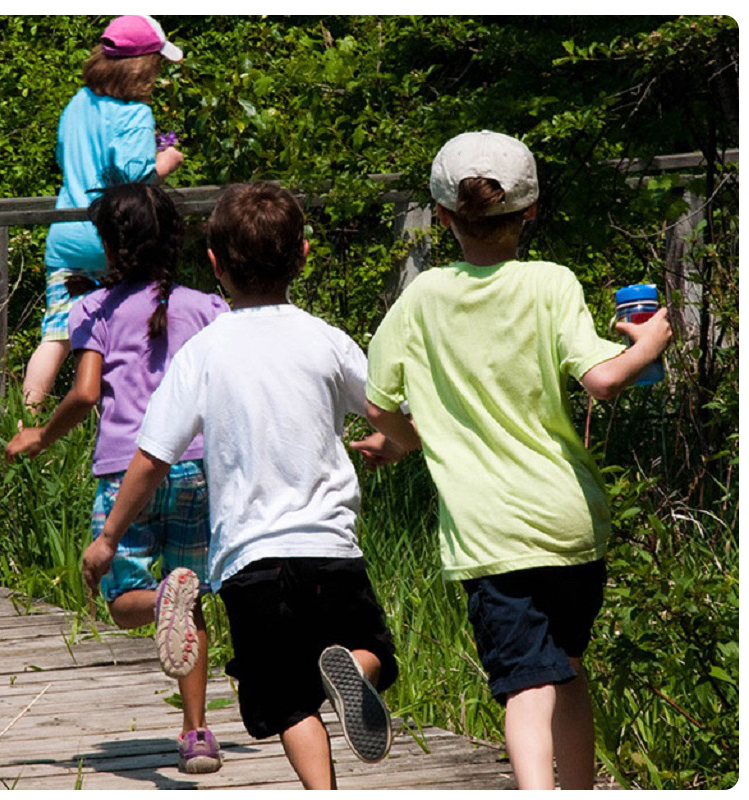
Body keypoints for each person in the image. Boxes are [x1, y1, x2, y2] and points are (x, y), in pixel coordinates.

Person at [359, 131, 673, 790]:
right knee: (568, 666)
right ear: (529, 211)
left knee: (528, 686)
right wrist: (649, 342)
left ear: (443, 218)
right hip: (570, 524)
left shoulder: (423, 299)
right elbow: (604, 379)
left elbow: (379, 402)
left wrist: (407, 440)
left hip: (491, 534)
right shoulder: (551, 283)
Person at [80, 181, 403, 789]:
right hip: (332, 549)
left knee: (285, 699)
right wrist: (397, 444)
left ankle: (322, 790)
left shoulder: (205, 350)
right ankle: (354, 671)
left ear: (215, 266)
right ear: (303, 255)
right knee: (374, 650)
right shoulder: (326, 338)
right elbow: (388, 414)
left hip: (251, 562)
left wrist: (109, 537)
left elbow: (151, 457)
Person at [6, 180, 229, 774]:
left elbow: (83, 394)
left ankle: (161, 602)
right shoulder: (207, 307)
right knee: (192, 605)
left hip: (126, 476)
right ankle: (197, 734)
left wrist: (39, 434)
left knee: (122, 597)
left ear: (110, 245)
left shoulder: (94, 311)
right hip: (196, 470)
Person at [23, 15, 185, 408]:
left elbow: (65, 157)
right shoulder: (134, 115)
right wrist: (167, 161)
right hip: (117, 239)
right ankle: (127, 415)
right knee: (125, 328)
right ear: (142, 66)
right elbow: (134, 179)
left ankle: (23, 418)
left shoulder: (77, 103)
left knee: (58, 332)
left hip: (67, 235)